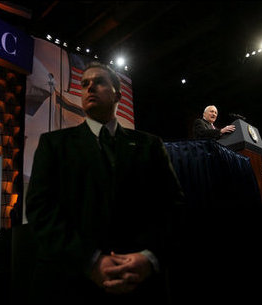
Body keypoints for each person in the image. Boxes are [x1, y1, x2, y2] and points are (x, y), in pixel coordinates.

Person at [26, 62, 184, 304]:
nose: (90, 88)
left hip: (141, 284)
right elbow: (41, 210)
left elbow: (172, 207)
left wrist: (149, 257)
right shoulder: (54, 144)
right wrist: (90, 261)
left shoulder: (149, 145)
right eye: (85, 84)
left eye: (98, 82)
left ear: (117, 94)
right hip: (71, 285)